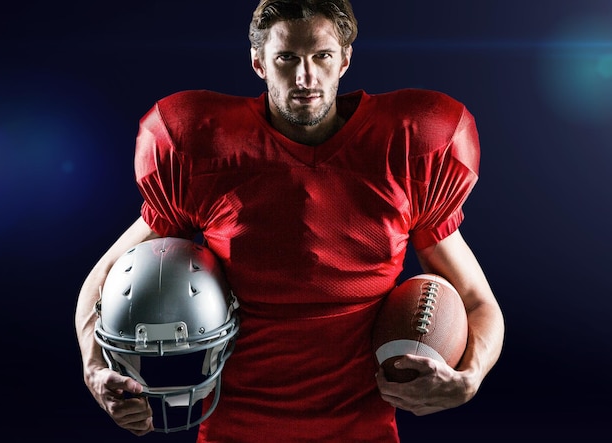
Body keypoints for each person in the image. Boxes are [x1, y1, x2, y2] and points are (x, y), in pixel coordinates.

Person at [75, 0, 505, 441]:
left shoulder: (405, 151)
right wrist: (94, 372)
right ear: (258, 62)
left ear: (346, 59)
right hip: (234, 429)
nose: (306, 78)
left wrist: (469, 378)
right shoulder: (206, 151)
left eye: (321, 56)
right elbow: (104, 278)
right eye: (287, 58)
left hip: (362, 431)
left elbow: (476, 301)